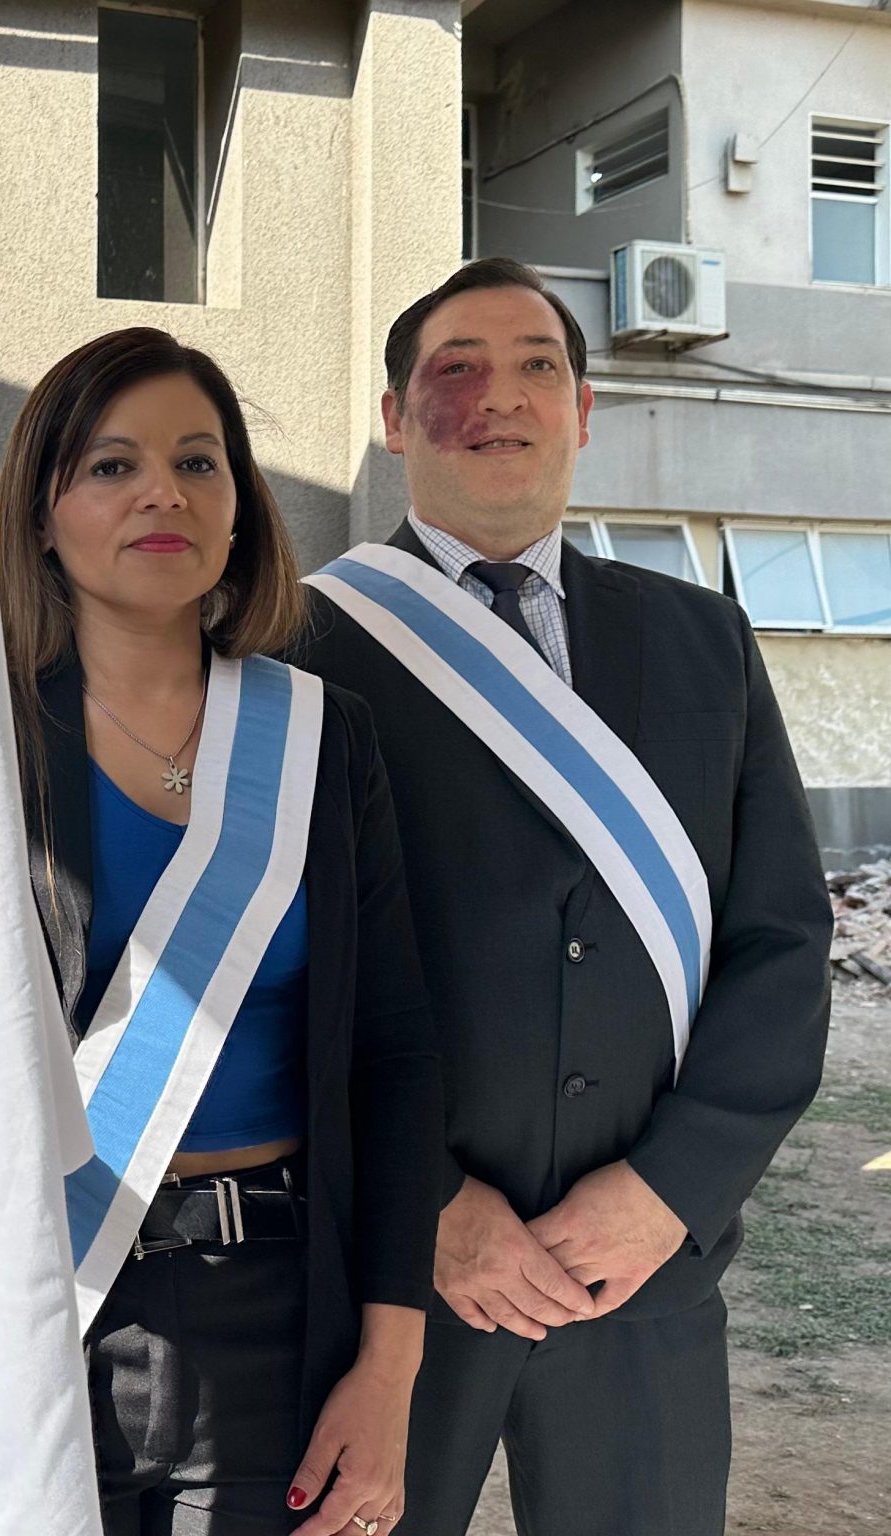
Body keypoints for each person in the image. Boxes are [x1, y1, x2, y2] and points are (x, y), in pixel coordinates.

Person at [297, 257, 831, 1535]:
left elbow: (779, 943)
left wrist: (669, 1191)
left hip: (637, 1275)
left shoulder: (703, 641)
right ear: (393, 417)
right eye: (457, 369)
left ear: (582, 412)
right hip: (391, 1281)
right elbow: (273, 971)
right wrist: (423, 1208)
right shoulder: (297, 647)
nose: (501, 396)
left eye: (537, 366)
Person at [0, 327, 445, 1536]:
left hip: (276, 1322)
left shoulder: (321, 738)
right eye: (111, 465)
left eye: (198, 462)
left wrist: (388, 1372)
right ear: (40, 514)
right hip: (27, 1311)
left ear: (239, 510)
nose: (163, 492)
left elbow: (395, 1057)